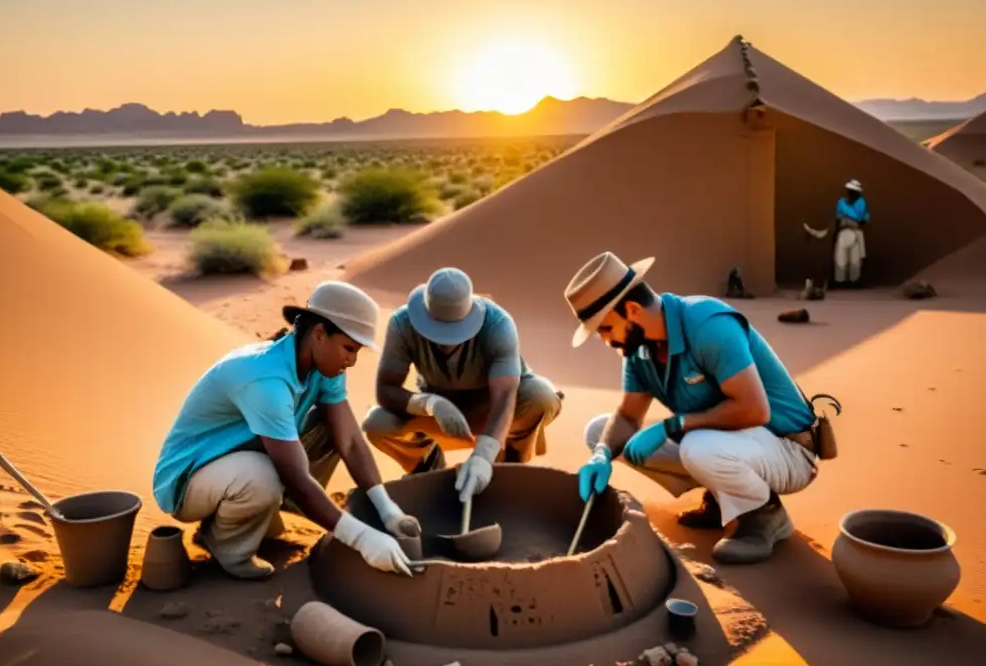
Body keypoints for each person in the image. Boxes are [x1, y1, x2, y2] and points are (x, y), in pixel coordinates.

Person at [565, 252, 822, 565]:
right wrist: (602, 453)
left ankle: (763, 515)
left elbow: (756, 410)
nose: (605, 341)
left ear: (631, 310)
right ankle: (722, 500)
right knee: (600, 432)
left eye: (605, 329)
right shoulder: (639, 351)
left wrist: (674, 425)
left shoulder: (707, 325)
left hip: (788, 449)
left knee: (698, 447)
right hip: (730, 443)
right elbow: (629, 416)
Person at [152, 281, 416, 580]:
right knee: (262, 478)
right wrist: (362, 540)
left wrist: (387, 510)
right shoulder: (266, 380)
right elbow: (296, 476)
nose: (352, 360)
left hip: (239, 457)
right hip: (188, 479)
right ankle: (227, 547)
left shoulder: (323, 365)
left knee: (331, 429)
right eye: (349, 348)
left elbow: (351, 441)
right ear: (319, 334)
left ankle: (259, 510)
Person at [362, 267, 563, 505]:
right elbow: (385, 390)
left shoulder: (498, 324)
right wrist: (429, 404)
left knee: (540, 396)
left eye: (456, 333)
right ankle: (428, 468)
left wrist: (483, 455)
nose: (446, 344)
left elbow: (505, 396)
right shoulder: (401, 324)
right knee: (377, 423)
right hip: (442, 416)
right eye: (436, 332)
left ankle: (508, 468)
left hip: (494, 413)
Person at [833, 179, 870, 287]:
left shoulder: (861, 202)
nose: (851, 193)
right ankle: (840, 281)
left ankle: (854, 281)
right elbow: (838, 217)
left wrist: (849, 219)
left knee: (855, 260)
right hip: (843, 232)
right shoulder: (841, 202)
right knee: (840, 259)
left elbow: (861, 218)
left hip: (855, 232)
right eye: (850, 190)